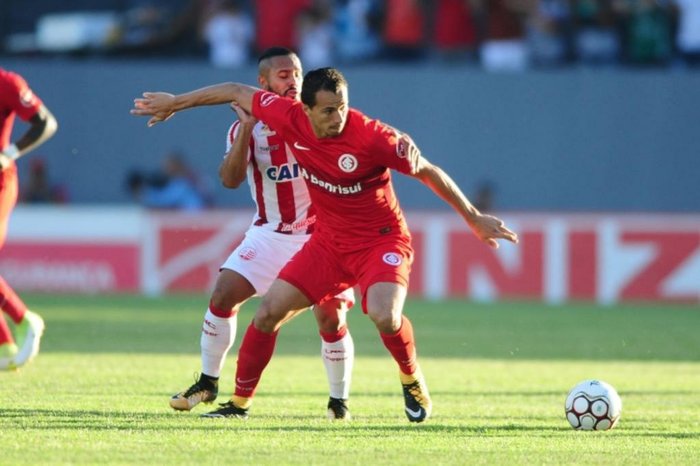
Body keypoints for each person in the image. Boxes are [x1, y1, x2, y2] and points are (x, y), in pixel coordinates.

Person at [131, 67, 518, 422]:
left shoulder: (374, 136)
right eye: (328, 110)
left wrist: (473, 217)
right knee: (267, 314)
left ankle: (411, 378)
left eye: (342, 107)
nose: (338, 118)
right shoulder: (286, 116)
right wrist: (176, 104)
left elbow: (427, 170)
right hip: (328, 245)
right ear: (304, 110)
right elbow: (234, 89)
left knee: (383, 315)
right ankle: (239, 404)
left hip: (380, 241)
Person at [167, 48, 357, 420]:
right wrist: (249, 129)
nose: (293, 81)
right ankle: (208, 381)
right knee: (223, 294)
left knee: (330, 317)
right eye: (284, 75)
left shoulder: (322, 118)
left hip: (321, 236)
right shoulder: (244, 128)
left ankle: (339, 402)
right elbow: (230, 180)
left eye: (297, 73)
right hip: (271, 232)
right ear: (264, 83)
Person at [0, 68, 58, 370]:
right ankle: (4, 345)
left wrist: (8, 153)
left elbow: (45, 123)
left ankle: (25, 319)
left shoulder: (7, 83)